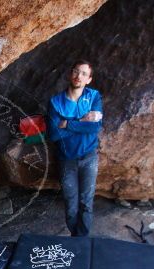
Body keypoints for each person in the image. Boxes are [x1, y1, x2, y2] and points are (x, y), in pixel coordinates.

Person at [46, 60, 103, 237]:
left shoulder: (93, 96)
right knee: (71, 203)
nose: (79, 76)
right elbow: (54, 135)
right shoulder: (56, 102)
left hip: (89, 156)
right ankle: (75, 237)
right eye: (76, 72)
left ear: (89, 79)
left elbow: (95, 128)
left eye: (84, 74)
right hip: (66, 158)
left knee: (86, 201)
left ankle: (82, 240)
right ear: (70, 74)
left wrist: (66, 124)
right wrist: (82, 121)